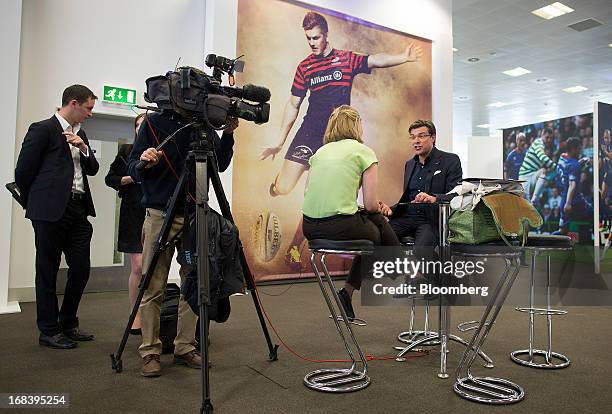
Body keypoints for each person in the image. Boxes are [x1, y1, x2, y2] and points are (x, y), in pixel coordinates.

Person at [260, 11, 423, 266]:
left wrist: (404, 57)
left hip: (333, 139)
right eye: (308, 39)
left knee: (314, 195)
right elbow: (293, 104)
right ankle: (278, 185)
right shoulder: (305, 66)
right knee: (283, 188)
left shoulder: (345, 60)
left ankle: (295, 248)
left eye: (316, 37)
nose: (312, 43)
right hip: (309, 131)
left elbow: (375, 60)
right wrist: (280, 142)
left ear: (325, 35)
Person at [127, 110, 238, 377]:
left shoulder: (203, 126)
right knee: (153, 284)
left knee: (196, 283)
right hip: (159, 213)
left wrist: (229, 135)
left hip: (194, 214)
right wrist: (144, 160)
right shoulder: (154, 123)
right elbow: (133, 167)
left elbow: (219, 164)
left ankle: (185, 346)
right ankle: (150, 351)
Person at [15, 85, 99, 349]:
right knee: (47, 271)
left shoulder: (80, 133)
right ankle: (49, 330)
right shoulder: (42, 129)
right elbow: (23, 173)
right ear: (73, 104)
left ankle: (67, 321)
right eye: (88, 108)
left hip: (77, 210)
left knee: (81, 268)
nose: (90, 114)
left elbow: (93, 169)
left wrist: (84, 147)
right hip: (49, 212)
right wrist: (37, 205)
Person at [302, 105, 399, 320]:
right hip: (340, 226)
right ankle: (400, 269)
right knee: (378, 224)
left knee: (373, 222)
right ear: (356, 126)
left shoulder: (319, 153)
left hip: (309, 227)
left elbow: (313, 194)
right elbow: (372, 205)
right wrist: (372, 209)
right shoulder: (363, 151)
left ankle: (347, 293)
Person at [379, 120, 462, 252]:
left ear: (433, 137)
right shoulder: (410, 164)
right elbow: (408, 199)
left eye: (421, 136)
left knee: (421, 252)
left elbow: (456, 195)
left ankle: (434, 272)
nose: (416, 141)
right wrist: (391, 209)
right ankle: (396, 272)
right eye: (412, 137)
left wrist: (434, 198)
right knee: (377, 238)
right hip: (408, 218)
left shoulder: (450, 160)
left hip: (431, 220)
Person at [104, 113, 146, 335]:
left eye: (146, 124)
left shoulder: (162, 153)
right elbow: (110, 179)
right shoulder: (126, 152)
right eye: (138, 124)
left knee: (153, 268)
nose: (142, 128)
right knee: (138, 266)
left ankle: (153, 313)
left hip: (155, 213)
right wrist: (133, 177)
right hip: (132, 214)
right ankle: (135, 314)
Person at [555, 137, 592, 235]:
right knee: (594, 214)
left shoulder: (562, 157)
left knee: (562, 231)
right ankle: (595, 237)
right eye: (579, 149)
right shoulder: (574, 165)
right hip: (574, 201)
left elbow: (570, 167)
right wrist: (568, 203)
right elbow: (572, 185)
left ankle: (546, 243)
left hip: (563, 199)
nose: (580, 150)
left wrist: (582, 160)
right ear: (573, 149)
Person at [519, 127, 556, 204]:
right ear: (542, 134)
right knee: (524, 205)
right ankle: (533, 200)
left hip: (532, 176)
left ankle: (534, 200)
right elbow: (542, 157)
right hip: (524, 177)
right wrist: (556, 167)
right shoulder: (538, 143)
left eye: (551, 138)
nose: (549, 140)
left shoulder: (544, 146)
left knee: (543, 172)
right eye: (547, 137)